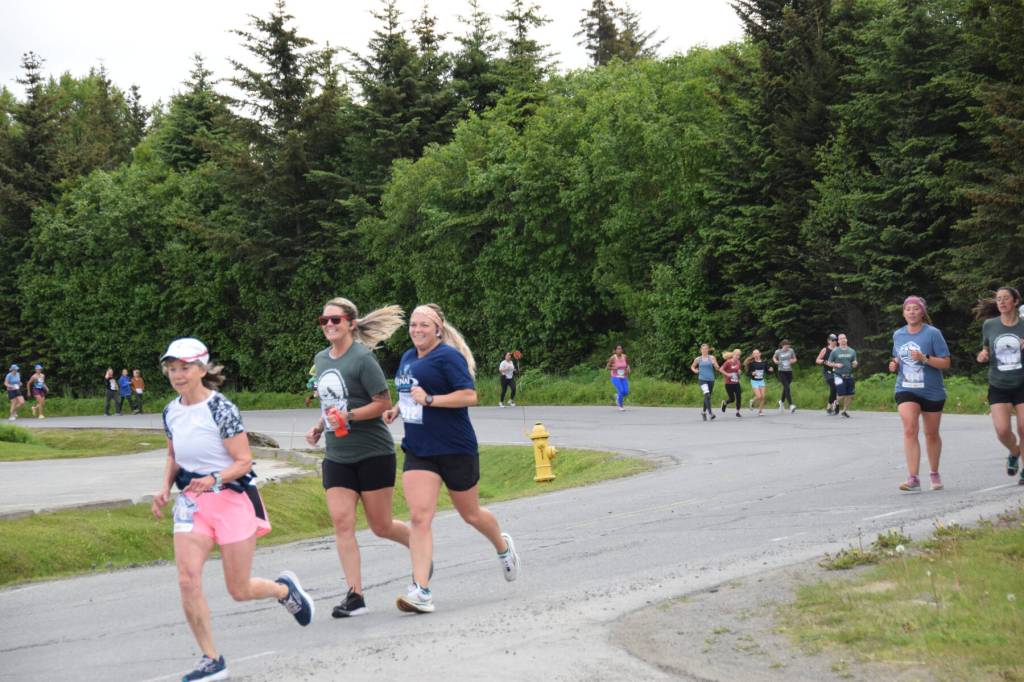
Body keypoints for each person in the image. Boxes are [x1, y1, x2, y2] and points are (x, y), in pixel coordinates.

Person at [151, 337, 313, 682]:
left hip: (231, 498)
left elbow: (244, 462)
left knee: (238, 590)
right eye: (172, 368)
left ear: (201, 369)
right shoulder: (171, 411)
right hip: (192, 503)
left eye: (185, 368)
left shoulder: (221, 408)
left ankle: (284, 590)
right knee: (186, 579)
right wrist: (164, 487)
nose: (177, 375)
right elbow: (173, 455)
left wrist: (213, 478)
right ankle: (212, 660)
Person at [383, 304, 520, 614]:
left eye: (423, 325)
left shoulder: (448, 357)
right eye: (413, 325)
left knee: (470, 513)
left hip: (455, 448)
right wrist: (396, 408)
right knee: (419, 516)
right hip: (419, 448)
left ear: (438, 330)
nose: (417, 330)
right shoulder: (406, 358)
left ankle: (502, 546)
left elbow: (469, 396)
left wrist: (431, 400)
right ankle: (421, 590)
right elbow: (408, 393)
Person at [303, 298, 414, 618]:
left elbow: (382, 403)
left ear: (351, 323)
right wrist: (319, 425)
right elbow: (331, 403)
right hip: (337, 454)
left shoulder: (363, 359)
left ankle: (420, 552)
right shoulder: (321, 360)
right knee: (342, 521)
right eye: (323, 320)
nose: (328, 325)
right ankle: (355, 595)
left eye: (335, 320)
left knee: (380, 526)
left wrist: (348, 416)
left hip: (373, 452)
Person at [888, 296, 951, 492]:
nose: (912, 312)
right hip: (906, 388)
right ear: (903, 313)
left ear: (922, 312)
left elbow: (946, 363)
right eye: (908, 309)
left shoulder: (933, 334)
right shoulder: (898, 335)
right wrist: (894, 364)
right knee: (909, 428)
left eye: (916, 309)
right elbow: (897, 357)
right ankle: (913, 477)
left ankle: (934, 473)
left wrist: (925, 358)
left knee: (931, 434)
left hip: (931, 390)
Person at [974, 286, 1024, 485]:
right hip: (998, 383)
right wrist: (982, 355)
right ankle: (1014, 452)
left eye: (1005, 298)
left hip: (1022, 382)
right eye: (998, 299)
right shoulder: (990, 325)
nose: (1001, 302)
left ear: (1015, 301)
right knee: (1003, 430)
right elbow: (985, 349)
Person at [827, 334, 859, 417]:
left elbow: (854, 362)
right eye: (841, 339)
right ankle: (835, 402)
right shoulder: (835, 351)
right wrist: (836, 365)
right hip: (838, 375)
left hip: (849, 375)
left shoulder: (852, 351)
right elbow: (828, 362)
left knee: (850, 395)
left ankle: (844, 411)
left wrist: (855, 364)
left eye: (844, 338)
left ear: (846, 339)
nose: (843, 340)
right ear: (838, 341)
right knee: (841, 394)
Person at [690, 343, 719, 421]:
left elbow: (717, 368)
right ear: (701, 350)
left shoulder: (712, 358)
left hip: (711, 379)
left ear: (708, 350)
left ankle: (703, 412)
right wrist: (695, 370)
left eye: (706, 349)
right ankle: (710, 413)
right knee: (707, 394)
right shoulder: (698, 359)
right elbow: (692, 366)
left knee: (707, 396)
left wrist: (714, 364)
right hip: (702, 379)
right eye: (703, 349)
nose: (704, 350)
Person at [815, 334, 839, 414]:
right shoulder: (825, 350)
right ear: (828, 341)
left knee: (837, 389)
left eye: (835, 340)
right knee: (833, 386)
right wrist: (824, 361)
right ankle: (832, 406)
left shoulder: (839, 350)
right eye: (832, 340)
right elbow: (817, 360)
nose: (834, 342)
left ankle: (831, 406)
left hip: (837, 372)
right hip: (828, 372)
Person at [744, 350, 773, 416]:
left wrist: (770, 370)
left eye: (757, 353)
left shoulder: (764, 362)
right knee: (759, 396)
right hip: (754, 381)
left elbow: (768, 371)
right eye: (754, 354)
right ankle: (752, 401)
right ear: (753, 355)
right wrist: (752, 373)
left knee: (763, 397)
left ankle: (760, 411)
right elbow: (747, 373)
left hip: (761, 381)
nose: (756, 355)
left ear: (760, 354)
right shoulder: (751, 363)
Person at [773, 340, 798, 413]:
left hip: (789, 371)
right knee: (787, 387)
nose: (788, 347)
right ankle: (791, 405)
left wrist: (792, 361)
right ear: (783, 345)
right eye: (787, 346)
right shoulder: (778, 351)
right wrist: (776, 361)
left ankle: (781, 401)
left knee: (786, 387)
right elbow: (774, 358)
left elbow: (795, 359)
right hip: (781, 372)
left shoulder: (791, 351)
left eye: (789, 346)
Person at [718, 349, 743, 417]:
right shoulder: (728, 362)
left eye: (739, 355)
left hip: (736, 383)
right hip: (728, 383)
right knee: (732, 399)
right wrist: (727, 374)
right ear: (733, 355)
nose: (738, 356)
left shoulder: (738, 362)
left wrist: (739, 372)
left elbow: (738, 370)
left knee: (739, 397)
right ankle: (725, 403)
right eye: (736, 355)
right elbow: (720, 369)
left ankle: (738, 412)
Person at [606, 344, 630, 411]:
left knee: (626, 392)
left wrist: (628, 369)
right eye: (618, 349)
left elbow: (627, 365)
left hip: (623, 376)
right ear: (615, 350)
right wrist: (614, 367)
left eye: (620, 349)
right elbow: (607, 367)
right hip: (615, 377)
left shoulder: (625, 356)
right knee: (621, 390)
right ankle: (620, 406)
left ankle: (617, 396)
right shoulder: (613, 358)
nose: (619, 350)